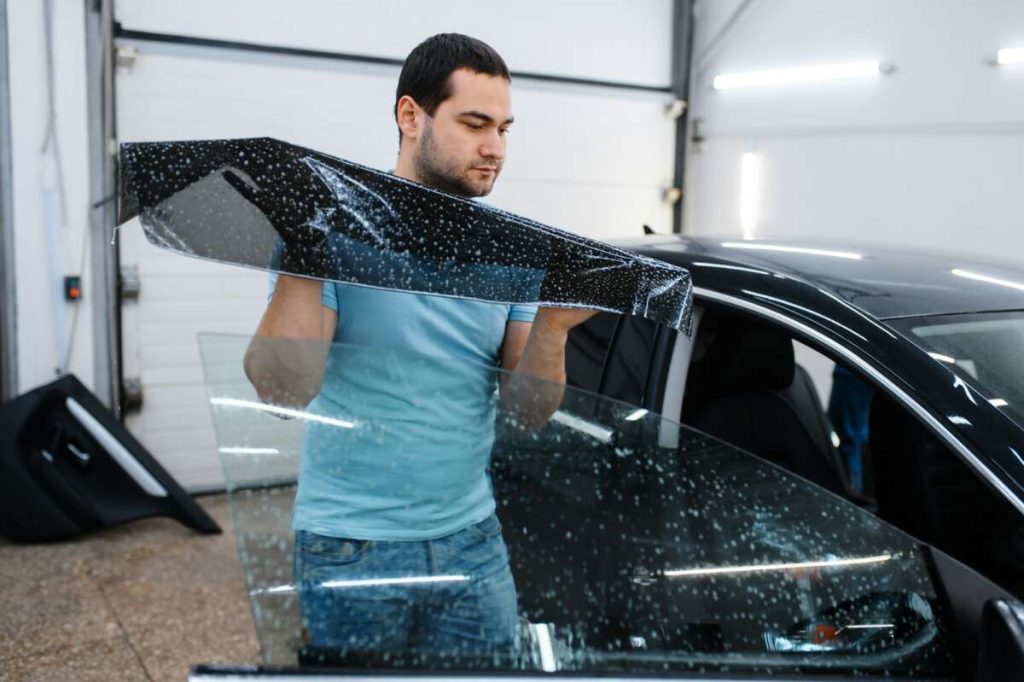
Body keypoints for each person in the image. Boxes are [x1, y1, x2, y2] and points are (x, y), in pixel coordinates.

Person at [243, 33, 596, 659]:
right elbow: (281, 390)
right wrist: (303, 255)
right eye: (474, 123)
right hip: (350, 546)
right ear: (412, 116)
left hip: (473, 539)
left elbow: (527, 412)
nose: (495, 149)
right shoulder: (332, 231)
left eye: (505, 129)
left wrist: (552, 327)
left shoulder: (509, 251)